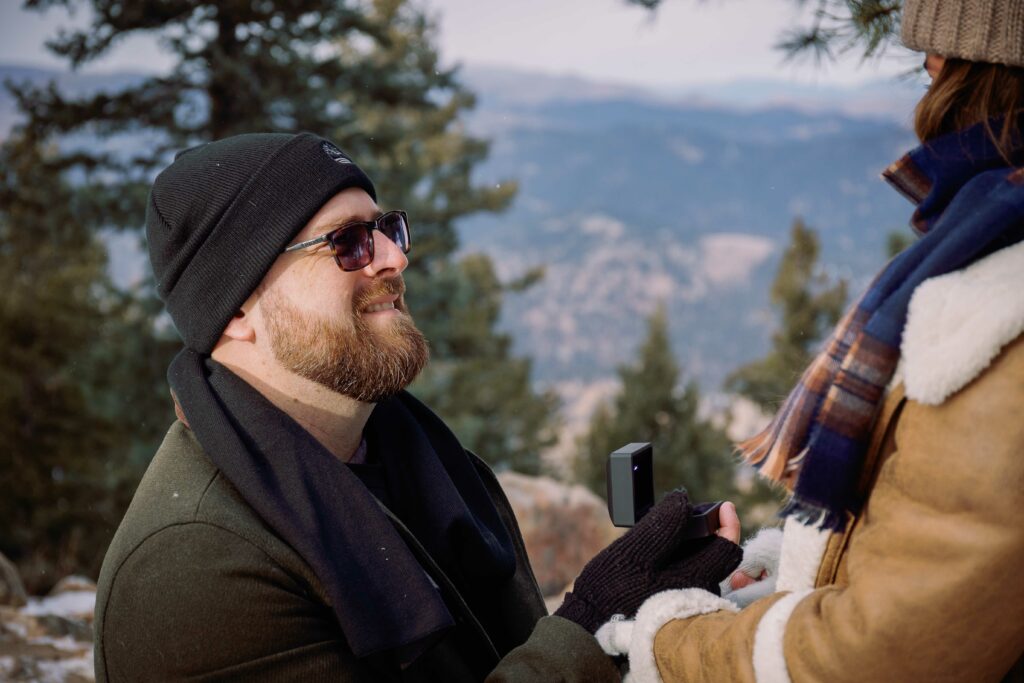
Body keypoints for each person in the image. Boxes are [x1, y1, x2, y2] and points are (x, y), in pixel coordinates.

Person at [91, 132, 743, 682]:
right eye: (347, 242)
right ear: (235, 307)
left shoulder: (424, 464)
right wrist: (594, 626)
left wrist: (649, 610)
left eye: (388, 229)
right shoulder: (195, 568)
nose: (396, 258)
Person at [575, 0, 1024, 680]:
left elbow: (880, 653)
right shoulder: (986, 260)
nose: (926, 106)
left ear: (980, 76)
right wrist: (782, 569)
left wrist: (668, 636)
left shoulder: (1000, 311)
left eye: (933, 72)